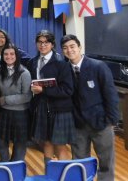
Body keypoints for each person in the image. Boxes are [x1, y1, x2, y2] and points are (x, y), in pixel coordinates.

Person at [61, 34, 119, 181]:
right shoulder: (63, 69)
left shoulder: (98, 66)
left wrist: (111, 120)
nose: (69, 50)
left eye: (72, 46)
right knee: (79, 162)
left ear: (80, 47)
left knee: (106, 162)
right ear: (63, 51)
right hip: (78, 124)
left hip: (101, 123)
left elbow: (110, 95)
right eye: (65, 48)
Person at [27, 30, 75, 169]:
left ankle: (64, 176)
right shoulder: (33, 62)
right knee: (46, 143)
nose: (43, 45)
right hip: (41, 107)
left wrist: (44, 90)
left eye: (46, 42)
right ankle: (50, 174)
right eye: (40, 42)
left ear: (52, 44)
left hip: (59, 109)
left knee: (60, 145)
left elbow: (68, 90)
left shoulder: (62, 63)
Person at [0, 43, 31, 162]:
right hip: (3, 112)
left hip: (20, 113)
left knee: (20, 142)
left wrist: (5, 100)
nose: (8, 56)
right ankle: (5, 164)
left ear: (17, 55)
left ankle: (16, 166)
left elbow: (27, 96)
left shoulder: (24, 72)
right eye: (5, 54)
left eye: (12, 54)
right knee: (0, 140)